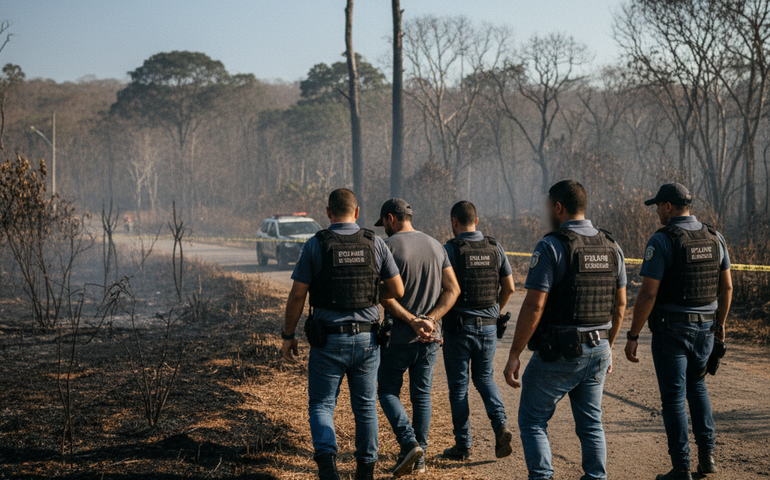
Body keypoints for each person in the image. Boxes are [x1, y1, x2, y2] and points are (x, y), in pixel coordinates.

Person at [503, 180, 628, 480]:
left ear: (558, 207)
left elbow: (534, 306)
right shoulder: (612, 246)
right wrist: (609, 346)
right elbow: (621, 304)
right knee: (591, 424)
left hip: (561, 350)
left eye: (548, 206)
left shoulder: (551, 246)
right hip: (598, 349)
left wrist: (514, 353)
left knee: (533, 420)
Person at [281, 189, 405, 480]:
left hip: (327, 340)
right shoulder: (374, 242)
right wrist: (371, 295)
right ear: (358, 212)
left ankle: (327, 467)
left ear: (328, 213)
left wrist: (288, 334)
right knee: (364, 406)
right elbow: (398, 290)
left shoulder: (316, 245)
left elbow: (298, 295)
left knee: (322, 404)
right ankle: (365, 470)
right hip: (367, 339)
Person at [624, 183, 733, 480]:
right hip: (707, 329)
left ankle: (681, 467)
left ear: (668, 207)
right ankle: (707, 457)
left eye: (658, 206)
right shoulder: (715, 236)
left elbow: (647, 294)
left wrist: (632, 336)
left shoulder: (662, 240)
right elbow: (727, 287)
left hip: (672, 330)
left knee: (673, 399)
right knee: (697, 388)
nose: (657, 212)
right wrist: (720, 326)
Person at [374, 198, 461, 477]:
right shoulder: (437, 245)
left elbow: (383, 296)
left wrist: (412, 320)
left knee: (387, 390)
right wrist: (430, 319)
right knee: (421, 395)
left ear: (390, 218)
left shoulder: (386, 247)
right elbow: (453, 290)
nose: (384, 228)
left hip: (398, 336)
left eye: (384, 223)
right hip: (430, 337)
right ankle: (420, 459)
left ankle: (409, 442)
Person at [441, 201, 516, 461]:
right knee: (484, 379)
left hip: (458, 328)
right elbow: (510, 288)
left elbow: (443, 288)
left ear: (454, 222)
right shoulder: (495, 248)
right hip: (488, 328)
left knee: (459, 388)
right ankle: (500, 425)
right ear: (477, 220)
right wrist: (495, 312)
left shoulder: (449, 249)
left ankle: (463, 446)